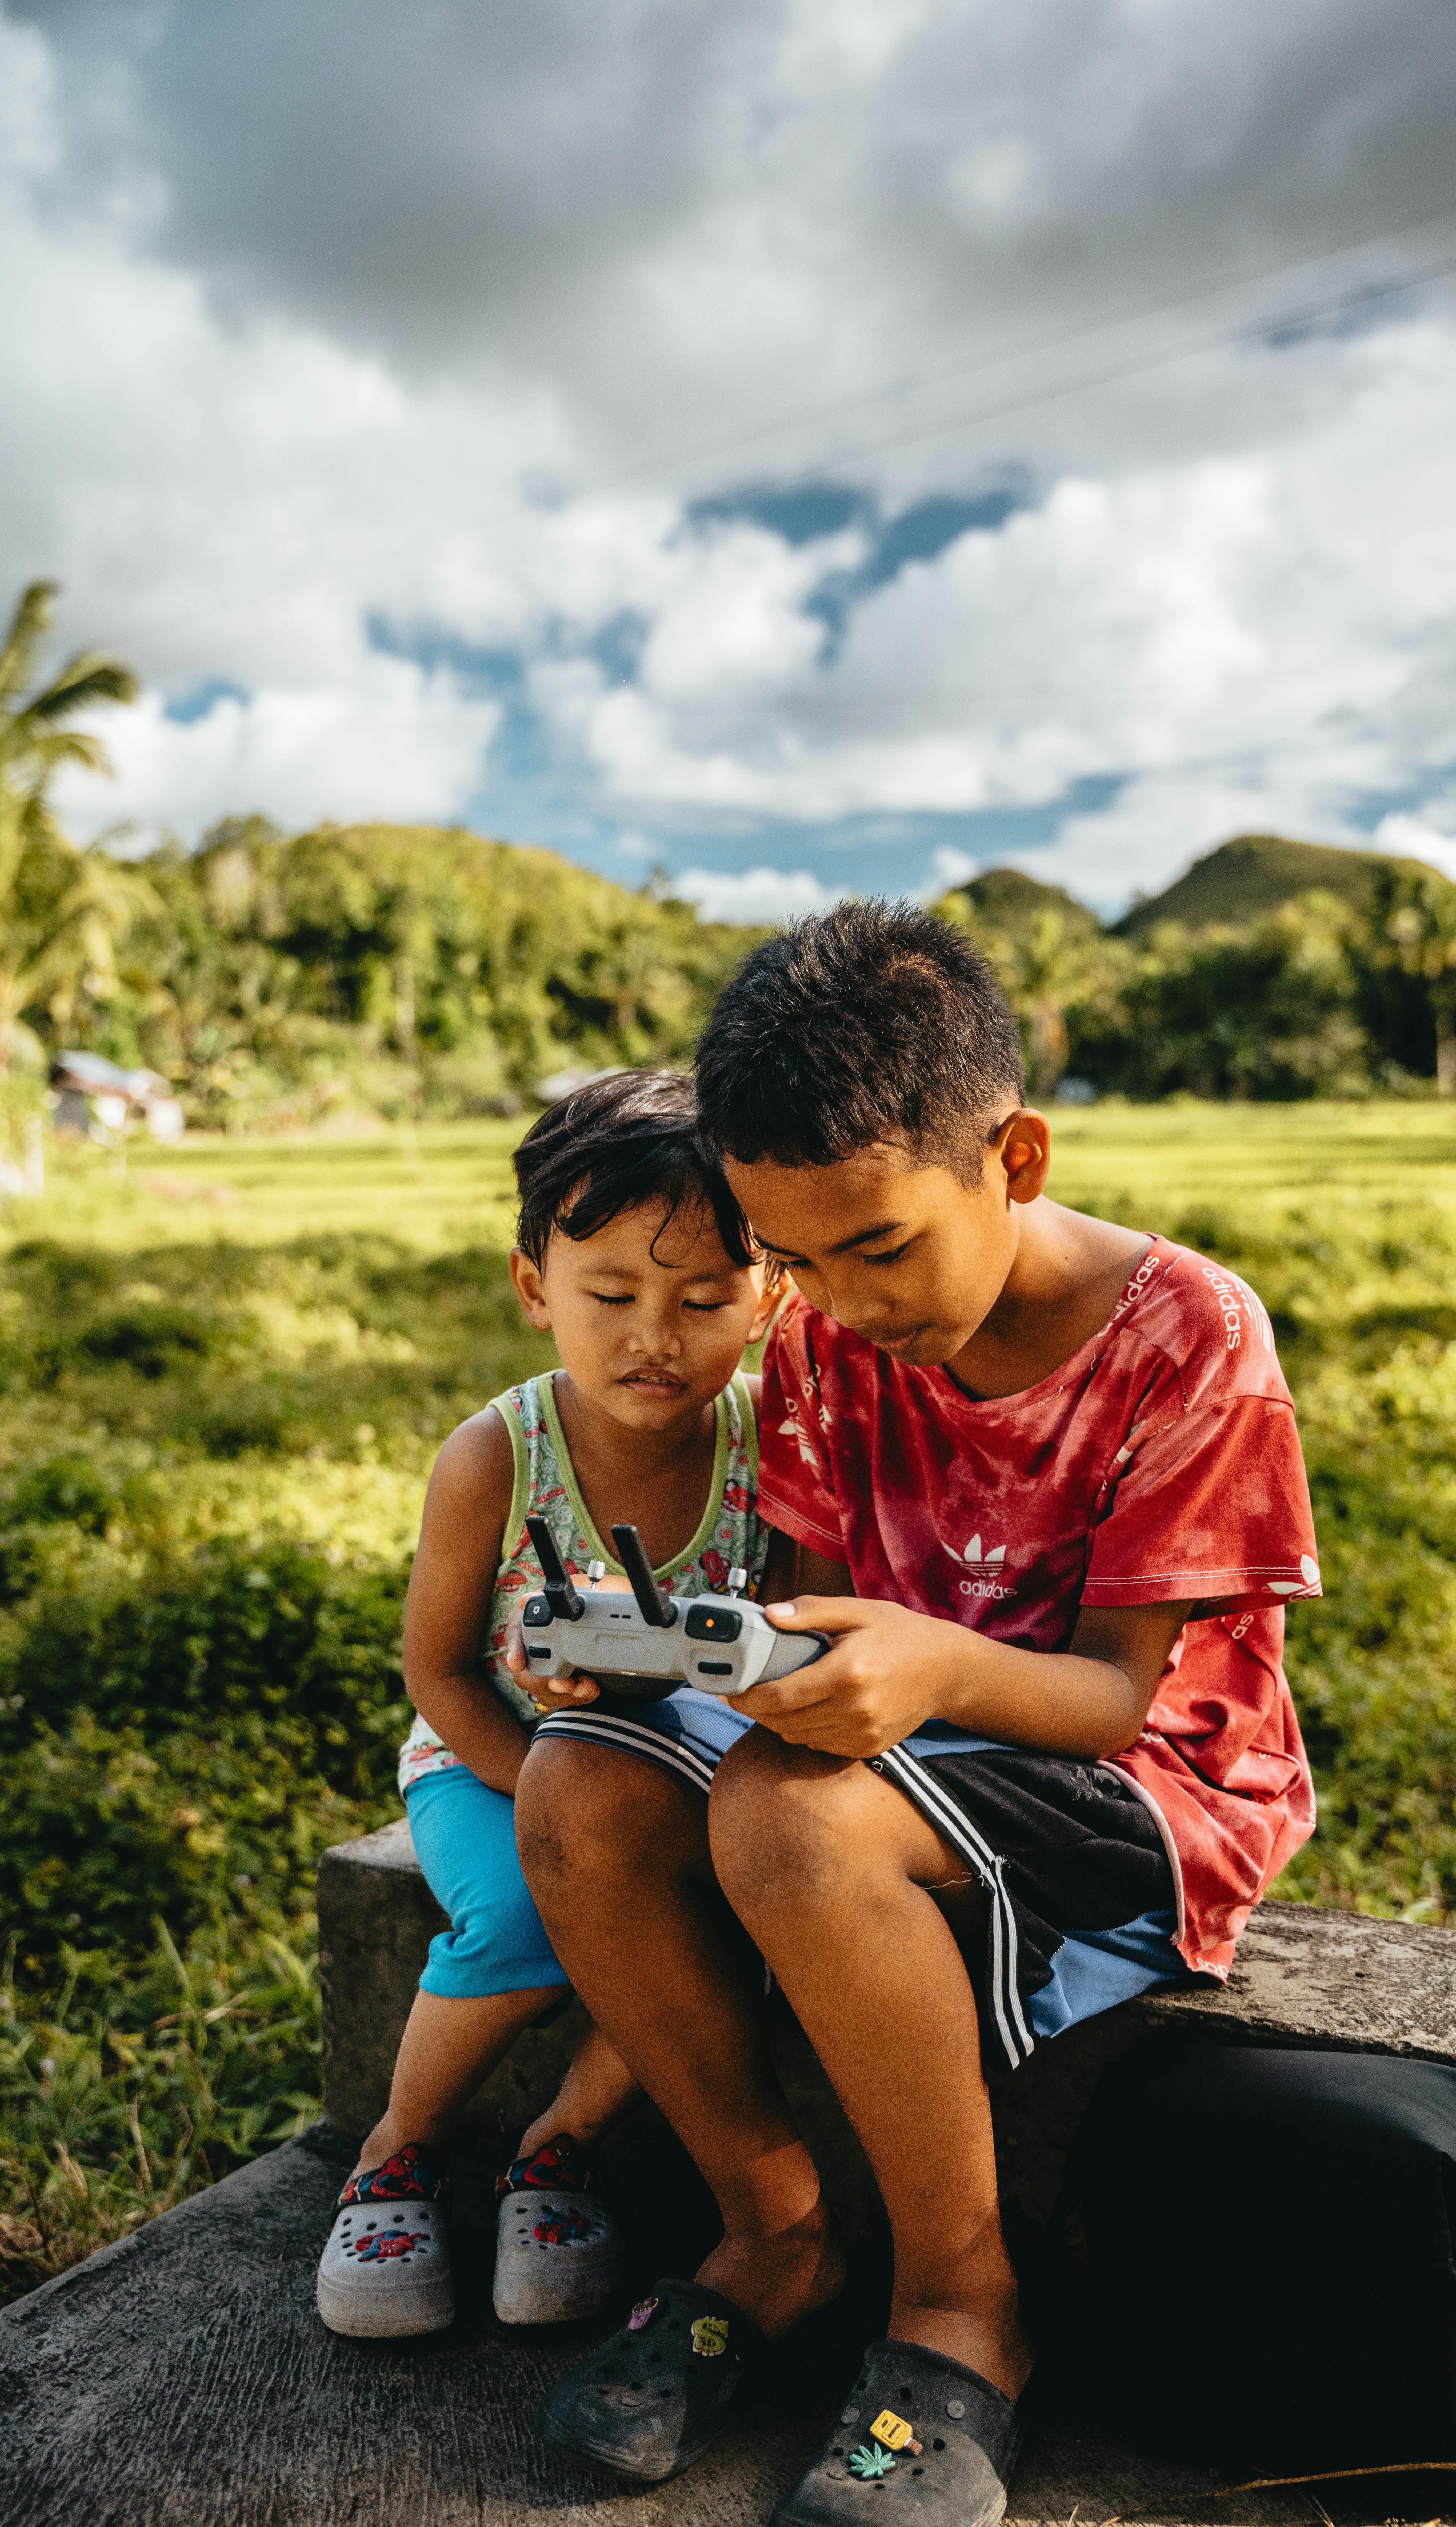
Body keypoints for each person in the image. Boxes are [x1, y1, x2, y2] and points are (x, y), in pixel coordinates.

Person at [513, 902, 1321, 2527]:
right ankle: (776, 2227)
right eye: (793, 1260)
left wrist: (934, 1669)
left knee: (788, 1817)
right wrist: (662, 1660)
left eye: (877, 1247)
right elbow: (804, 1626)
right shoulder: (823, 1336)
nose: (840, 1302)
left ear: (1011, 1157)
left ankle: (962, 2307)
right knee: (579, 1791)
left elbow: (1112, 1699)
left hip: (1144, 1780)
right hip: (899, 1741)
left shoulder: (1187, 1339)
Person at [316, 1070, 785, 2339]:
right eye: (611, 1296)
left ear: (771, 1297)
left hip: (674, 1774)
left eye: (704, 1301)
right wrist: (540, 1795)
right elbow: (438, 1670)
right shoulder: (499, 1457)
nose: (656, 1336)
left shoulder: (767, 1450)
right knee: (533, 1904)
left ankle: (558, 2146)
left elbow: (792, 1647)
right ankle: (399, 2148)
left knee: (731, 1916)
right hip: (487, 1764)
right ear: (536, 1290)